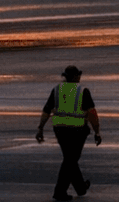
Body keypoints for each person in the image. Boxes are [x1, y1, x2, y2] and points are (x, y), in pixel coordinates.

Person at [36, 64, 101, 201]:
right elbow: (92, 113)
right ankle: (59, 192)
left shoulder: (57, 89)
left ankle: (81, 188)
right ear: (76, 76)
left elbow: (47, 110)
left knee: (70, 159)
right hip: (77, 130)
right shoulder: (82, 91)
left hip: (60, 129)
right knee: (70, 160)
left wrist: (40, 128)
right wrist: (97, 132)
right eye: (79, 75)